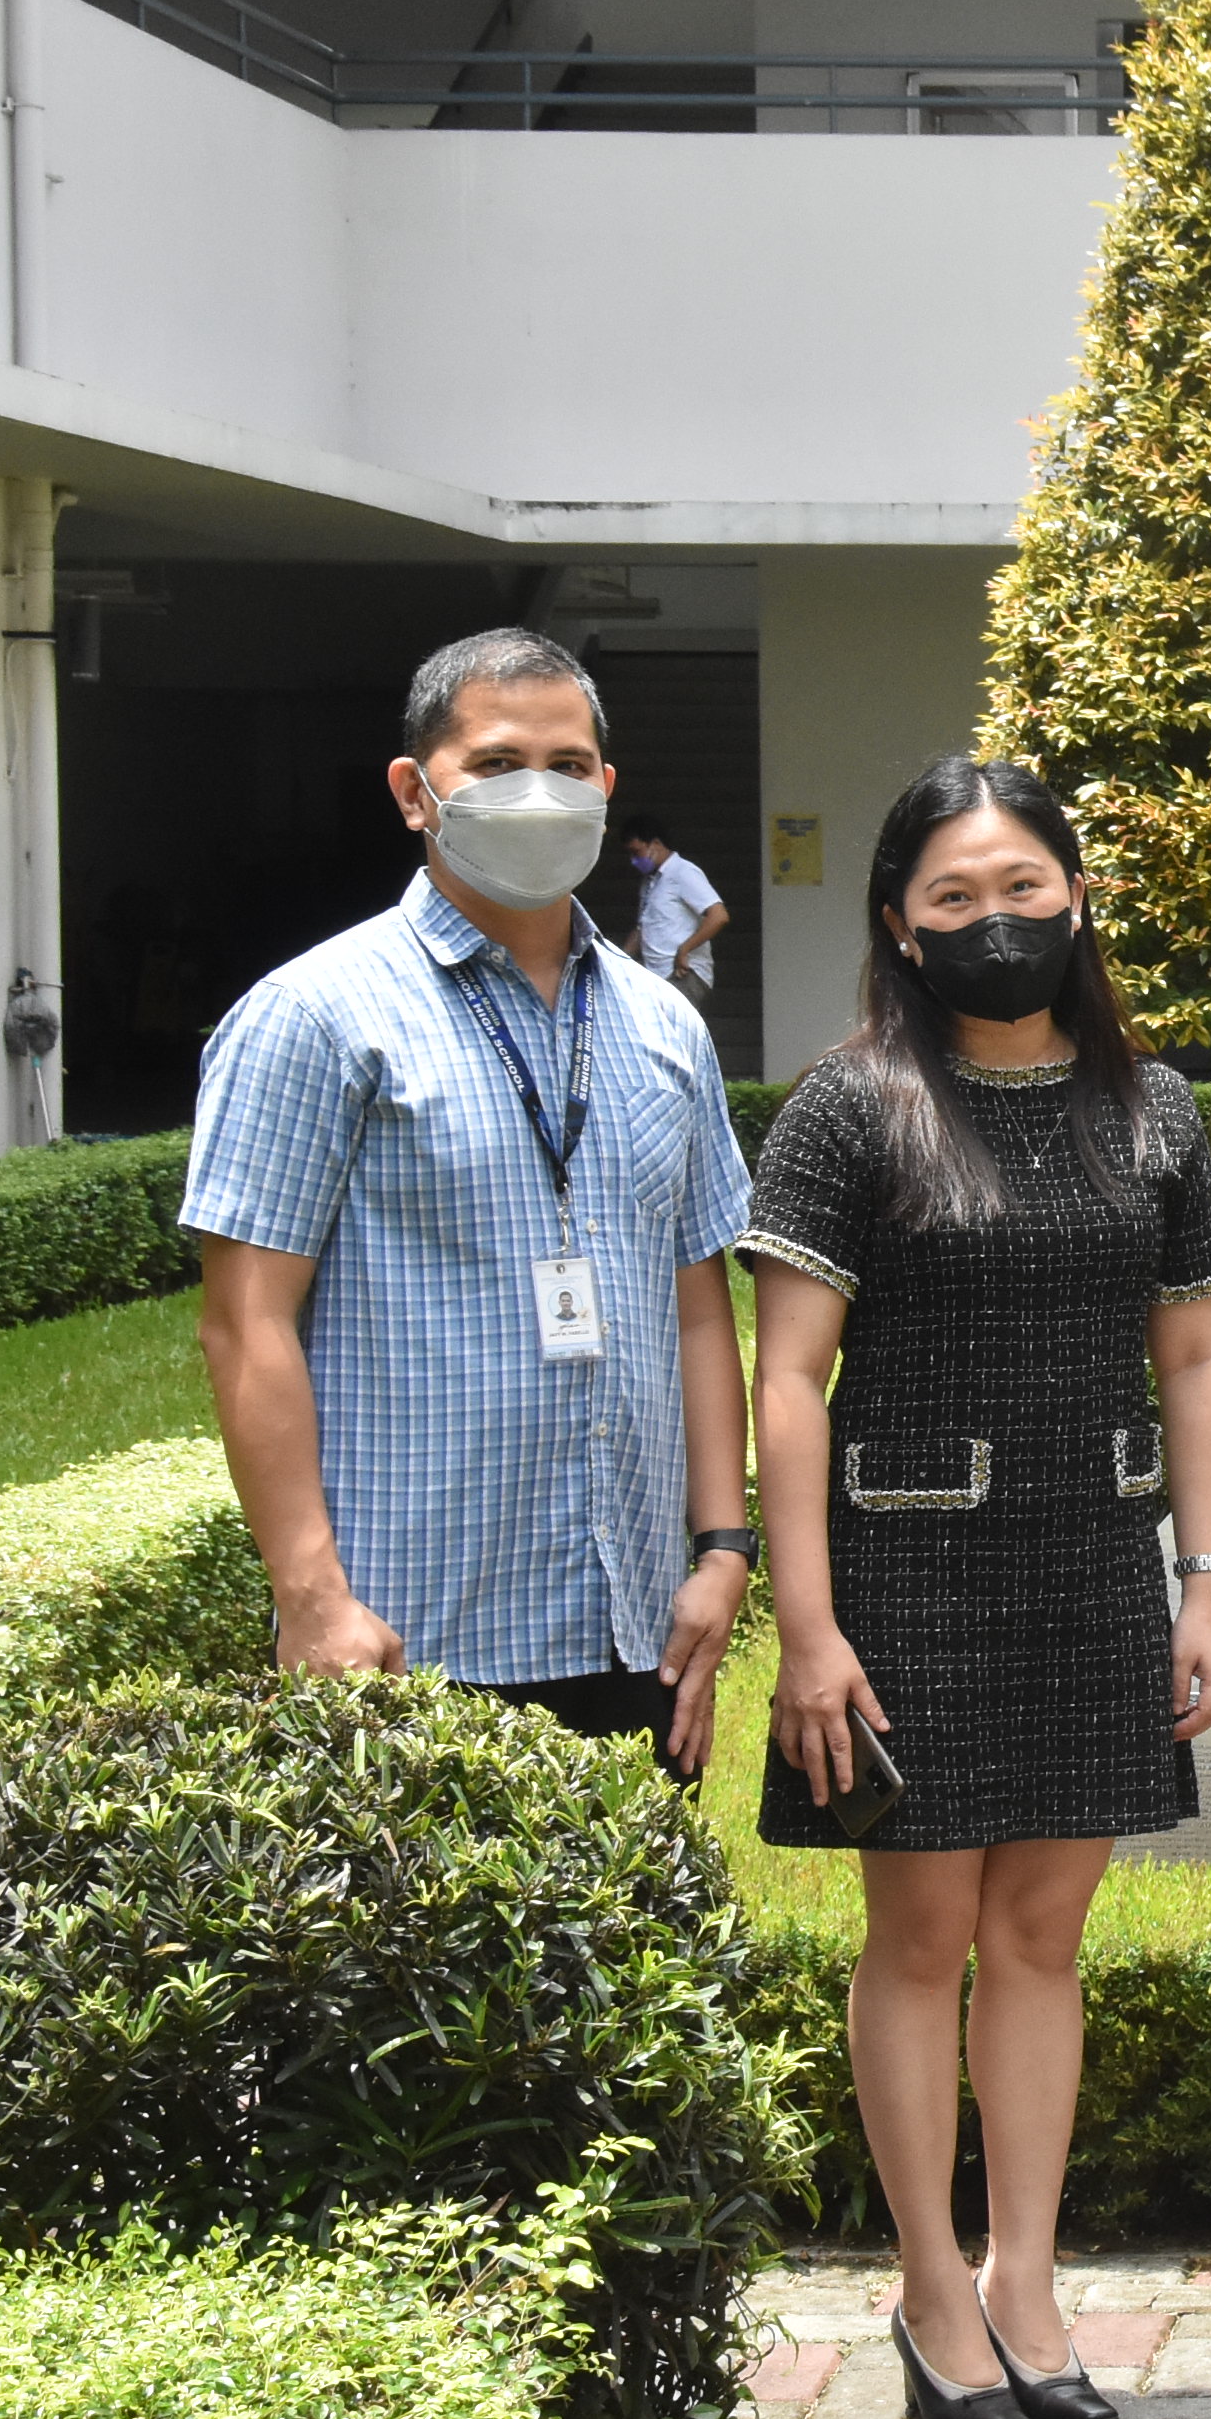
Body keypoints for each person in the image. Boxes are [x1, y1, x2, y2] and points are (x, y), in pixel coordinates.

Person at [739, 755, 1211, 2419]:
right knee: (921, 1940)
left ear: (1078, 896)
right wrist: (807, 1629)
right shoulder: (848, 1109)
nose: (994, 921)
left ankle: (1029, 2281)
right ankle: (932, 2286)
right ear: (899, 923)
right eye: (953, 898)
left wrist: (1207, 1580)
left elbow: (1192, 1345)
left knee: (1042, 1940)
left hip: (1093, 1574)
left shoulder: (1147, 1108)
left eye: (1022, 886)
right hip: (905, 1581)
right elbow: (789, 1381)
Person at [186, 627, 752, 1780]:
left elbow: (698, 1309)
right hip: (409, 1638)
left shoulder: (661, 1026)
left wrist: (723, 1549)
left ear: (604, 787)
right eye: (495, 764)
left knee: (636, 1951)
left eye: (565, 761)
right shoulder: (316, 1016)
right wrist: (311, 1601)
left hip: (630, 1622)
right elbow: (246, 1321)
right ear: (415, 791)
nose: (535, 791)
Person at [624, 814, 730, 997]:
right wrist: (619, 960)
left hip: (682, 973)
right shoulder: (650, 883)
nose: (633, 860)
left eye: (636, 852)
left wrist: (685, 949)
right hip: (658, 978)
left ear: (655, 844)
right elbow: (642, 929)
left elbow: (719, 916)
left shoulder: (683, 871)